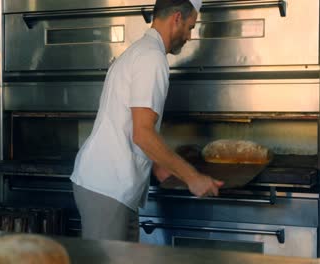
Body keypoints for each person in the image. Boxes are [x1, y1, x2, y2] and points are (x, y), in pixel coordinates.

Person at [70, 0, 224, 242]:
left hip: (111, 187)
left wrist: (159, 165)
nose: (189, 36)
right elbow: (142, 133)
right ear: (176, 18)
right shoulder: (151, 59)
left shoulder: (139, 52)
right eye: (191, 27)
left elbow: (129, 122)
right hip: (108, 187)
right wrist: (192, 177)